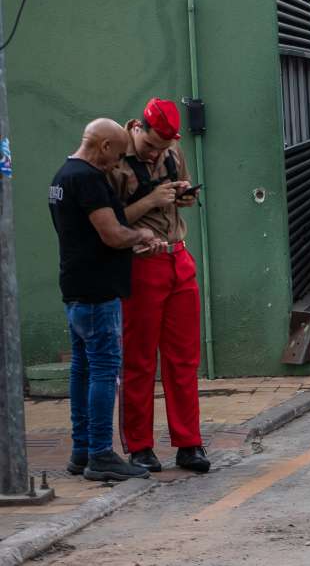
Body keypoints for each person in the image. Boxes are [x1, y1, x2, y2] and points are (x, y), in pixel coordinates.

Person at [48, 119, 165, 482]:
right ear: (103, 147)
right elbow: (111, 234)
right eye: (116, 156)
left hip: (76, 287)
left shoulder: (61, 177)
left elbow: (92, 237)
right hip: (98, 293)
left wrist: (131, 246)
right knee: (103, 370)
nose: (117, 164)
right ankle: (100, 453)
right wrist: (141, 235)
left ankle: (81, 451)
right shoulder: (88, 179)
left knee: (82, 369)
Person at [110, 98, 209, 474]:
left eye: (163, 148)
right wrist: (151, 199)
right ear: (138, 128)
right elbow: (110, 218)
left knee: (183, 359)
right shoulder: (116, 157)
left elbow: (175, 205)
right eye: (151, 145)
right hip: (140, 262)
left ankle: (189, 442)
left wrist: (183, 196)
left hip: (177, 257)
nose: (156, 153)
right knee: (138, 359)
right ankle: (140, 446)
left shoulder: (172, 153)